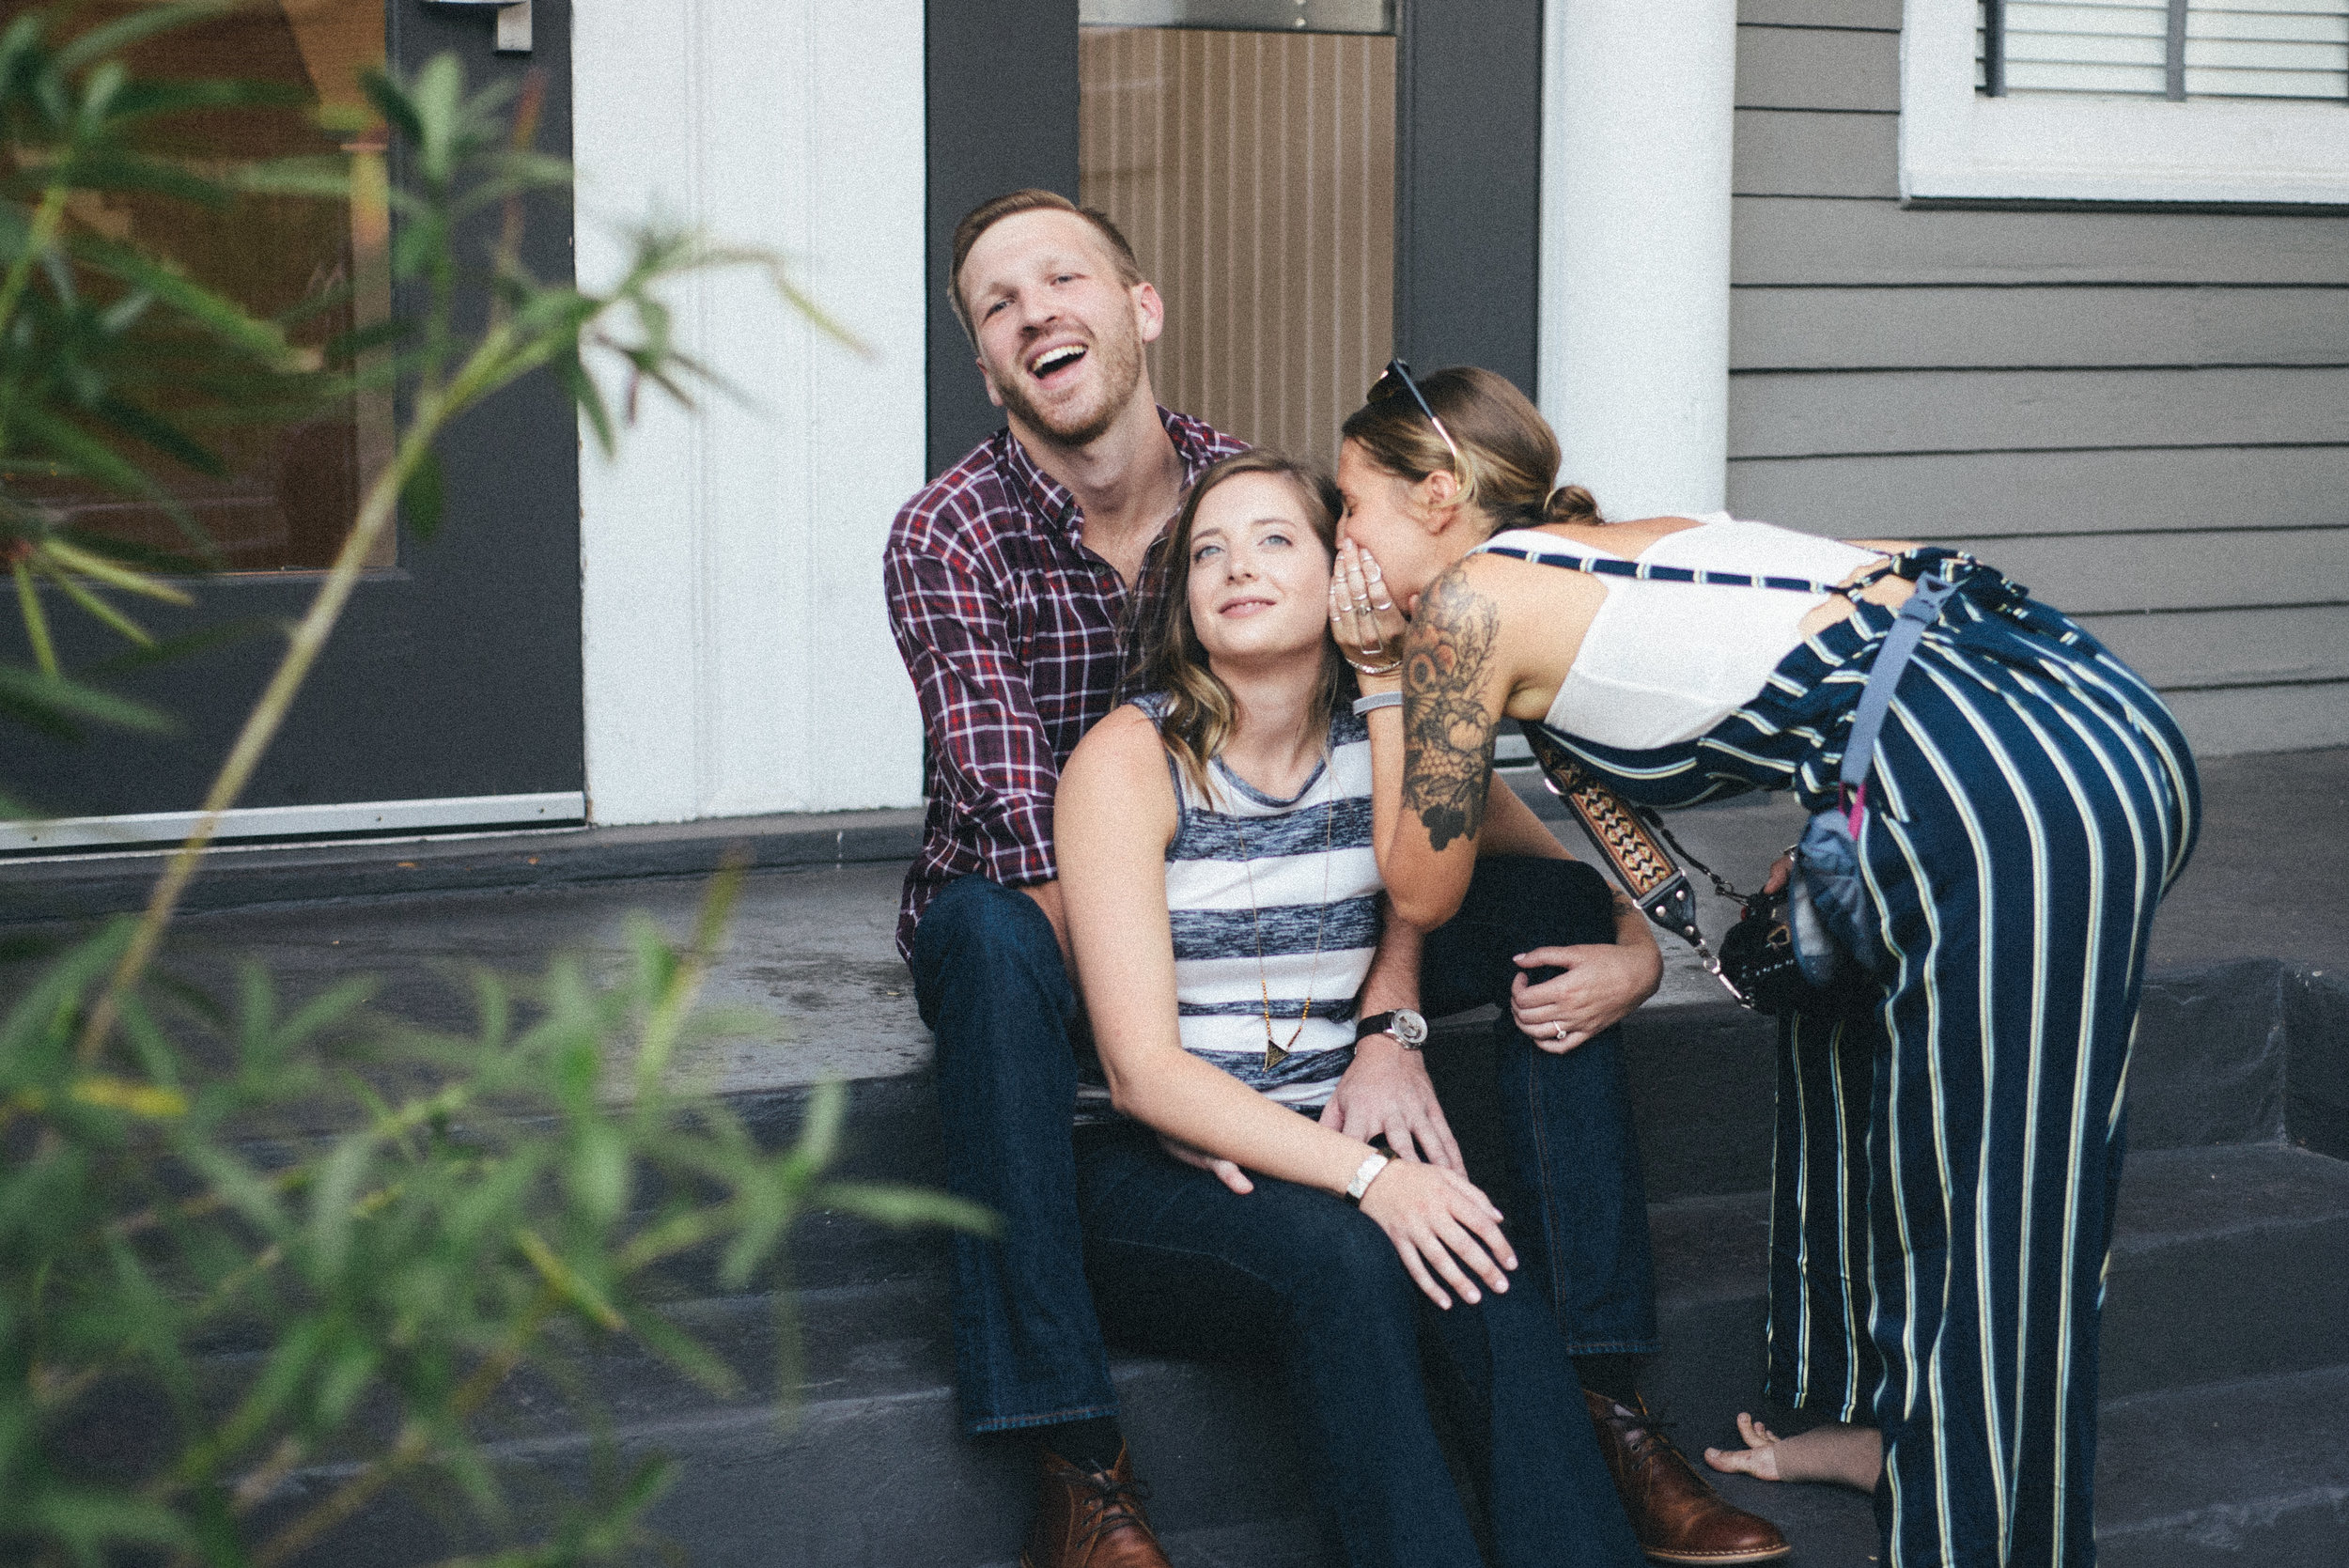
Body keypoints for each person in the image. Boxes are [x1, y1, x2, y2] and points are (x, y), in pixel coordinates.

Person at [885, 189, 1775, 1566]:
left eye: (1064, 279)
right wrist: (1196, 1081)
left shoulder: (1254, 495)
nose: (1034, 314)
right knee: (993, 947)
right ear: (988, 362)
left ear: (1142, 306)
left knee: (1488, 1186)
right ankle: (1074, 1454)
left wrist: (1408, 1010)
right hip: (1069, 936)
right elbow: (1026, 832)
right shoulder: (957, 544)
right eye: (999, 307)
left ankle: (1605, 1400)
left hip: (1281, 963)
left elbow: (1462, 843)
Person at [1328, 363, 2200, 1568]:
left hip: (2009, 773)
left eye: (1350, 508)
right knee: (1822, 990)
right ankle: (1889, 1427)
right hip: (1970, 734)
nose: (1343, 546)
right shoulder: (1587, 553)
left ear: (1435, 497)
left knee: (2002, 1182)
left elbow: (1421, 882)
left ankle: (1990, 1534)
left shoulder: (1471, 602)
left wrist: (1375, 669)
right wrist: (1734, 902)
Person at [1055, 448, 1650, 1568]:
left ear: (1342, 571)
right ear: (1182, 597)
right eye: (1209, 550)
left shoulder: (1387, 733)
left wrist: (1636, 954)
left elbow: (1555, 875)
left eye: (1276, 538)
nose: (1236, 565)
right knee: (1353, 1256)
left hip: (1321, 1146)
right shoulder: (1129, 762)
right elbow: (1143, 1073)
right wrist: (1381, 1180)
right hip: (1155, 1172)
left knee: (1484, 1260)